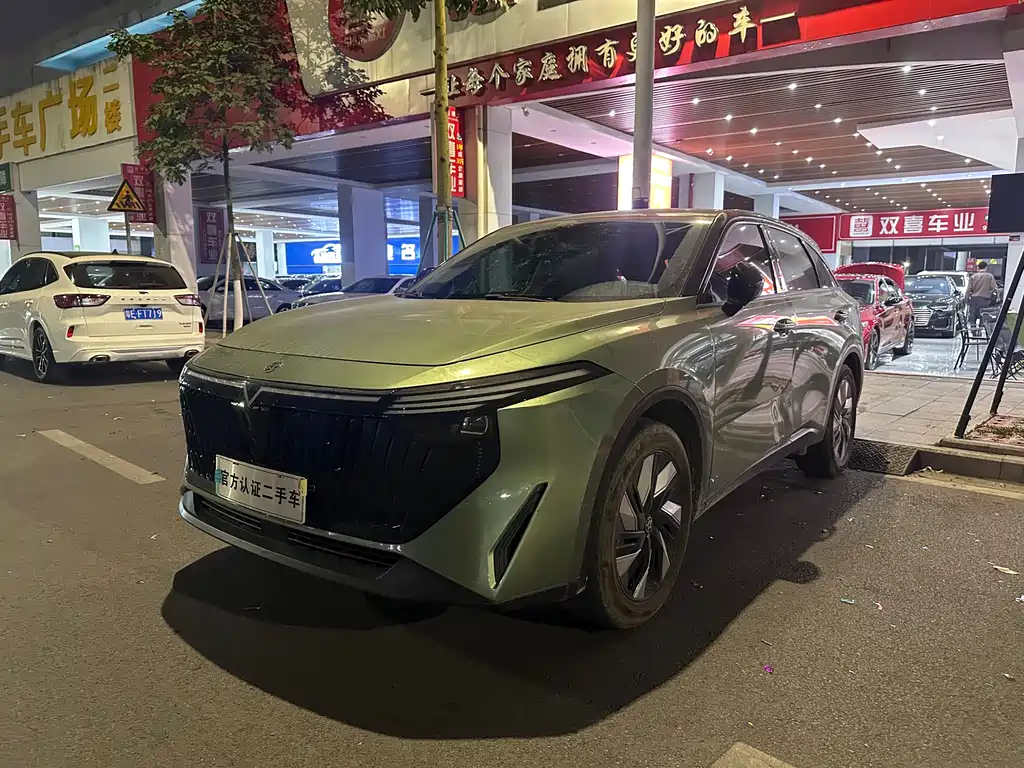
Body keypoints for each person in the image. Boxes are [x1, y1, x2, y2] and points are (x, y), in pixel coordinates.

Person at [966, 261, 998, 326]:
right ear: (986, 267)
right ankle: (982, 327)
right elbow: (994, 288)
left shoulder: (973, 276)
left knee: (973, 316)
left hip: (974, 299)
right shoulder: (990, 276)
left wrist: (966, 298)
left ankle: (973, 329)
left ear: (978, 267)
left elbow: (969, 289)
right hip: (985, 299)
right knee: (983, 316)